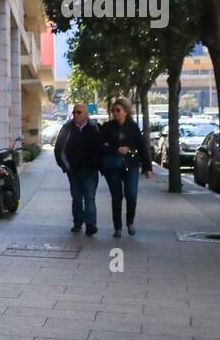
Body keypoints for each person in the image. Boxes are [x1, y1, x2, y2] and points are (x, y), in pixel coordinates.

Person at [99, 97, 153, 237]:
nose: (115, 113)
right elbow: (101, 146)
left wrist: (147, 168)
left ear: (125, 112)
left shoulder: (133, 127)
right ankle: (118, 228)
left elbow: (142, 147)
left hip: (131, 165)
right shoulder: (107, 127)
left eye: (118, 110)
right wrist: (117, 149)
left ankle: (130, 222)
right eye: (113, 110)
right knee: (116, 197)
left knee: (131, 195)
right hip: (113, 167)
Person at [54, 103, 102, 235]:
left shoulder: (95, 128)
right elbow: (59, 149)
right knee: (76, 198)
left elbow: (101, 148)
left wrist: (99, 164)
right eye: (74, 112)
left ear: (86, 114)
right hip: (73, 171)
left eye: (79, 112)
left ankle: (91, 224)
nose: (75, 115)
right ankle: (77, 222)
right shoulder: (67, 128)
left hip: (90, 170)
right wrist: (66, 167)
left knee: (89, 197)